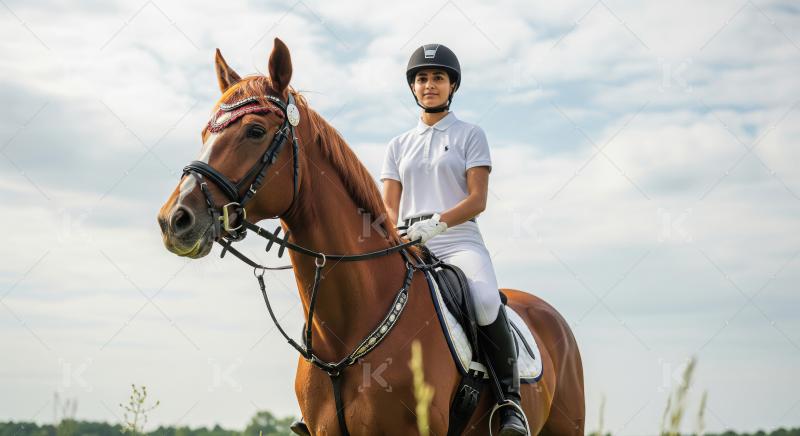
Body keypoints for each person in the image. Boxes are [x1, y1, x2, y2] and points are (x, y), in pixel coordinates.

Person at [380, 43, 528, 436]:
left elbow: (477, 200)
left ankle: (509, 402)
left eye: (438, 78)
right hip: (409, 242)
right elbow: (387, 209)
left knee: (482, 300)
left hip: (458, 240)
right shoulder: (397, 145)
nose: (429, 85)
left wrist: (436, 224)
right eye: (422, 79)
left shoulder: (470, 135)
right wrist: (391, 235)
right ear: (413, 87)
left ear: (452, 86)